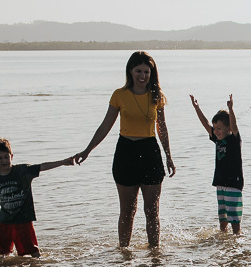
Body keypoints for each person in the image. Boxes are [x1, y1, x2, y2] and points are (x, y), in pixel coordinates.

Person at [74, 51, 176, 248]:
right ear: (130, 71)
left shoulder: (157, 96)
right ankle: (124, 254)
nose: (142, 76)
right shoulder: (119, 95)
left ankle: (155, 255)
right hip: (126, 153)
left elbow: (162, 128)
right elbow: (105, 126)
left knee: (152, 211)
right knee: (128, 211)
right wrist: (87, 150)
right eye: (138, 71)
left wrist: (169, 157)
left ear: (152, 73)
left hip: (150, 152)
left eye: (147, 72)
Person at [0, 138, 74, 257]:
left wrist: (63, 162)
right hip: (5, 219)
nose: (4, 161)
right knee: (3, 252)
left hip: (23, 218)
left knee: (32, 250)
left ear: (12, 156)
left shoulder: (23, 171)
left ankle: (38, 266)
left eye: (6, 157)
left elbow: (42, 167)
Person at [189, 93, 244, 234]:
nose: (216, 131)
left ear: (228, 128)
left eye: (219, 128)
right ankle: (223, 239)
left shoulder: (234, 140)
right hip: (220, 182)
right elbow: (206, 124)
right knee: (222, 216)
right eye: (215, 128)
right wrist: (197, 108)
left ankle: (236, 238)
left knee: (234, 218)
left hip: (233, 184)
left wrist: (231, 109)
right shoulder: (217, 139)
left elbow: (235, 125)